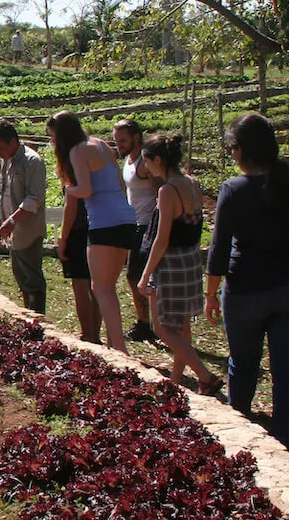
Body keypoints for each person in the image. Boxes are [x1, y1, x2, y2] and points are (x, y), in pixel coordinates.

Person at [205, 113, 289, 455]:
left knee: (243, 364)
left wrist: (211, 293)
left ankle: (238, 436)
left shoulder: (234, 189)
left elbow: (218, 247)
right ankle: (287, 442)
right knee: (287, 367)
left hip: (246, 290)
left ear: (240, 149)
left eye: (232, 149)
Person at [135, 134, 222, 394]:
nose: (146, 168)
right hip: (190, 259)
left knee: (161, 327)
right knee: (182, 328)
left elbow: (161, 239)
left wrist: (145, 275)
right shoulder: (191, 182)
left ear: (158, 159)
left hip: (170, 262)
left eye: (147, 162)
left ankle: (205, 376)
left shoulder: (167, 190)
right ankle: (175, 380)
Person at [47, 110, 137, 353]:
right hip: (126, 218)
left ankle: (118, 348)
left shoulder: (77, 151)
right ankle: (115, 343)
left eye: (53, 137)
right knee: (107, 286)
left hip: (104, 221)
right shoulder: (101, 144)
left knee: (100, 288)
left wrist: (69, 188)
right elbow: (119, 184)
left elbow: (84, 191)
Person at [0, 119, 48, 314]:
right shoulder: (2, 161)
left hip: (27, 228)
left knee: (32, 277)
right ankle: (28, 314)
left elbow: (34, 199)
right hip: (10, 228)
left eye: (0, 148)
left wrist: (12, 221)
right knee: (20, 275)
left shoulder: (32, 161)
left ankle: (37, 316)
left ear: (13, 141)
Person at [113, 119, 159, 342]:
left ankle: (148, 323)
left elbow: (160, 191)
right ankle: (146, 322)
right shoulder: (129, 160)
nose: (119, 145)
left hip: (147, 224)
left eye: (122, 140)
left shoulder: (144, 163)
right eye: (117, 141)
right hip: (135, 223)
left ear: (136, 138)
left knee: (137, 276)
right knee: (134, 277)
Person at [58, 192, 101, 343]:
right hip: (98, 228)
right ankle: (95, 335)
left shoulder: (74, 172)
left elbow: (71, 207)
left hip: (78, 230)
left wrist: (63, 238)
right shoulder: (102, 169)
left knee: (80, 285)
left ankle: (88, 335)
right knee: (96, 286)